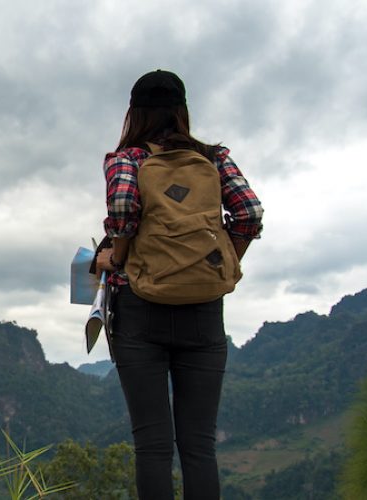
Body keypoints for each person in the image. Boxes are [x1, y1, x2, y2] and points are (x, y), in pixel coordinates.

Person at [94, 70, 263, 499]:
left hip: (139, 310)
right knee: (199, 446)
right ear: (182, 111)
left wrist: (116, 256)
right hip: (204, 313)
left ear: (134, 112)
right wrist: (220, 262)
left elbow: (123, 208)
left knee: (152, 446)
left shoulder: (127, 159)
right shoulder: (213, 157)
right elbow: (248, 213)